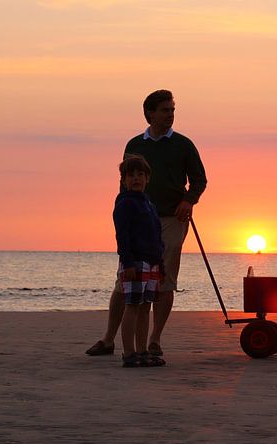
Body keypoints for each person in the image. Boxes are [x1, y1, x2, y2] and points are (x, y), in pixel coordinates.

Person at [86, 89, 207, 359]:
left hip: (172, 218)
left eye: (173, 110)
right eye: (165, 110)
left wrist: (189, 201)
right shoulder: (134, 144)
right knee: (124, 280)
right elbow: (124, 182)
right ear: (150, 113)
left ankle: (154, 341)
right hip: (137, 217)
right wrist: (122, 209)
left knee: (164, 280)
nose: (170, 115)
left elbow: (199, 179)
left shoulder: (184, 144)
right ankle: (108, 340)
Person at [114, 155, 166, 367]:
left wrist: (160, 266)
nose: (136, 178)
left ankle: (143, 350)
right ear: (124, 180)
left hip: (152, 262)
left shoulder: (149, 205)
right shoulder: (125, 203)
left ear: (147, 178)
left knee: (146, 307)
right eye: (131, 175)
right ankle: (129, 353)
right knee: (132, 306)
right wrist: (128, 264)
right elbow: (122, 236)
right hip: (134, 262)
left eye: (140, 175)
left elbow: (157, 236)